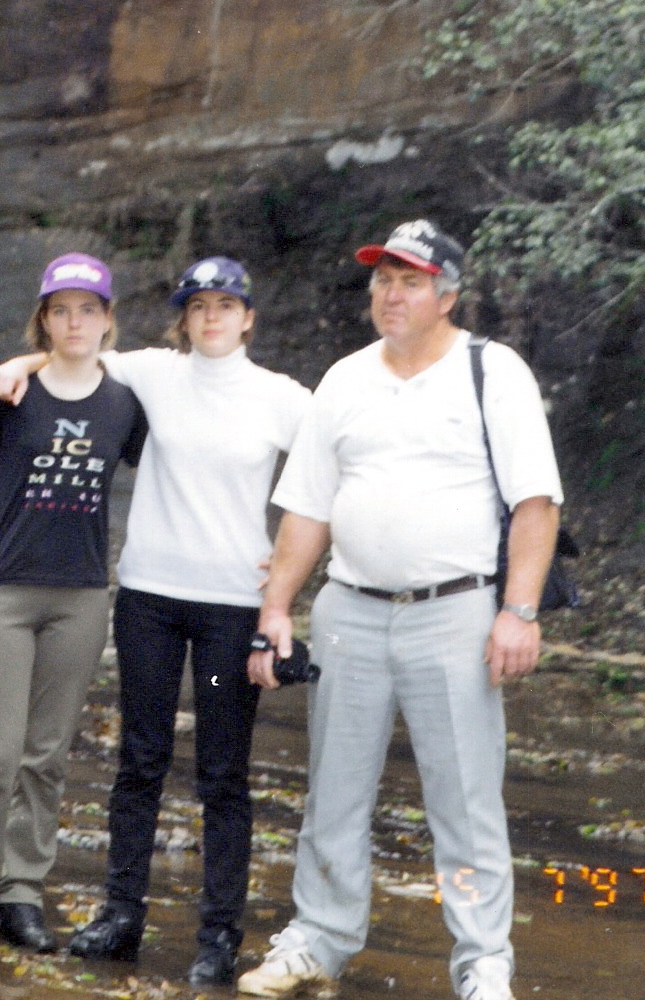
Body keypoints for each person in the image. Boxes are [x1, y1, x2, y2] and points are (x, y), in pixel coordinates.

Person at [239, 221, 563, 1000]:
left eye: (409, 281)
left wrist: (518, 610)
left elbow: (535, 502)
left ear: (445, 296)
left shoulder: (492, 371)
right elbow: (307, 508)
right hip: (348, 610)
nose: (390, 294)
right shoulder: (344, 379)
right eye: (382, 279)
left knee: (464, 801)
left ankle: (482, 962)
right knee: (333, 791)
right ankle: (316, 939)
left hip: (455, 613)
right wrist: (275, 609)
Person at [0, 257, 310, 985]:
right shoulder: (155, 374)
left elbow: (331, 474)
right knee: (140, 758)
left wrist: (292, 570)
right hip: (149, 603)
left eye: (225, 305)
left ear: (248, 318)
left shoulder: (280, 397)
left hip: (230, 613)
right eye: (198, 306)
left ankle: (218, 935)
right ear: (184, 319)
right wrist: (18, 364)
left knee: (222, 771)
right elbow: (75, 353)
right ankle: (121, 914)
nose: (212, 317)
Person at [0, 253, 147, 954]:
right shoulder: (12, 394)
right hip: (3, 596)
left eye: (88, 309)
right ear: (43, 320)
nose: (74, 322)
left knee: (46, 756)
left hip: (80, 598)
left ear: (107, 319)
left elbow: (181, 471)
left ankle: (21, 894)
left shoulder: (125, 403)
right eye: (60, 310)